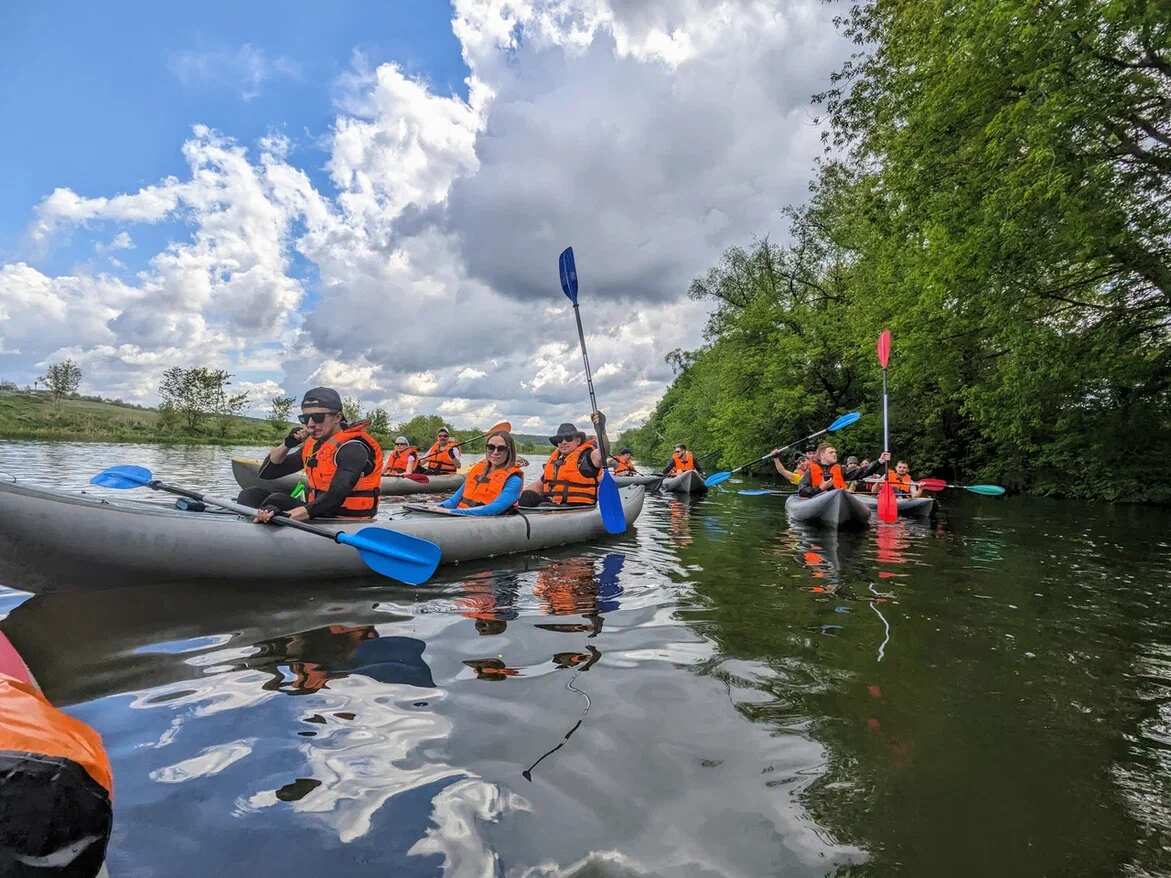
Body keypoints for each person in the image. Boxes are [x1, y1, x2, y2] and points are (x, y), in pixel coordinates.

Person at [240, 387, 384, 523]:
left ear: (337, 417)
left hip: (345, 518)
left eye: (318, 417)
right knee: (250, 494)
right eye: (305, 418)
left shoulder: (353, 448)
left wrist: (288, 515)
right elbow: (267, 473)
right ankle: (256, 525)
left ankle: (262, 526)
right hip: (318, 511)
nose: (310, 424)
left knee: (277, 500)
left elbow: (335, 497)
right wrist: (287, 444)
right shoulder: (314, 446)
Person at [521, 414, 609, 506]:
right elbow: (539, 484)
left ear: (578, 441)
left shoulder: (588, 456)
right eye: (560, 439)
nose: (563, 442)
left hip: (577, 507)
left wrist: (601, 430)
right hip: (553, 505)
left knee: (544, 505)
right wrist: (518, 497)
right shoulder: (555, 462)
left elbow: (603, 453)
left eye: (568, 438)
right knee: (527, 496)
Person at [438, 429, 525, 516]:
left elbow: (493, 509)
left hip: (482, 521)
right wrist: (438, 508)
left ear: (509, 451)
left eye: (501, 448)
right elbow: (453, 500)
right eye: (491, 447)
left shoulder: (514, 480)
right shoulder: (477, 470)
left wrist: (452, 512)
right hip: (459, 516)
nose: (495, 452)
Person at [797, 443, 889, 498]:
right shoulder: (811, 470)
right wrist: (820, 488)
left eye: (835, 452)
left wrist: (880, 461)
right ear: (822, 455)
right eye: (831, 452)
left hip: (838, 500)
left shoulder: (840, 469)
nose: (835, 454)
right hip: (818, 500)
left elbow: (861, 472)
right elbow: (802, 490)